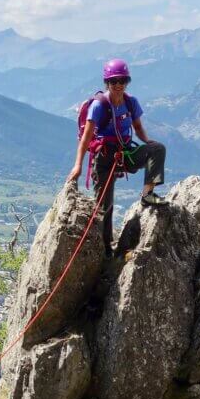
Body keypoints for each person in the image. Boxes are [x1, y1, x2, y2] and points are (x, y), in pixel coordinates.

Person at [68, 58, 167, 256]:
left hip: (124, 153)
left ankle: (147, 195)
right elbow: (86, 138)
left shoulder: (131, 103)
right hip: (104, 158)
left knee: (158, 149)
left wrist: (148, 144)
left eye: (122, 80)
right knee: (105, 207)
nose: (118, 85)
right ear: (107, 83)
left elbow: (137, 128)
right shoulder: (99, 106)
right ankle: (106, 250)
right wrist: (78, 166)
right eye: (114, 81)